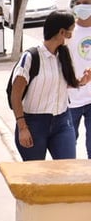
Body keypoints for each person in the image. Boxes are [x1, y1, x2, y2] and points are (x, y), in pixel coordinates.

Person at [11, 11, 87, 161]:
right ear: (62, 32)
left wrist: (82, 81)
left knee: (67, 170)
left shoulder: (63, 55)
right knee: (37, 176)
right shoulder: (31, 57)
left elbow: (62, 83)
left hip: (62, 121)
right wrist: (23, 128)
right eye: (72, 30)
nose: (73, 35)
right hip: (34, 124)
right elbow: (15, 96)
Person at [68, 0, 91, 157]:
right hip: (71, 100)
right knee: (67, 146)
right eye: (79, 3)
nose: (82, 6)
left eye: (87, 3)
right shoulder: (68, 32)